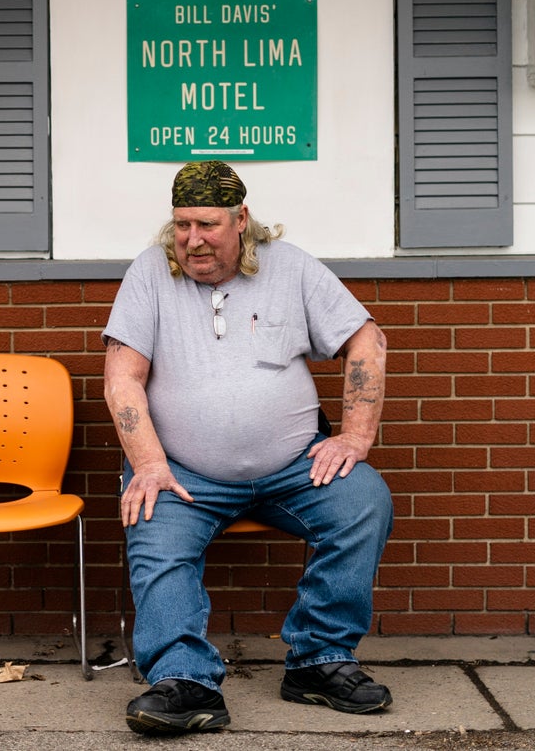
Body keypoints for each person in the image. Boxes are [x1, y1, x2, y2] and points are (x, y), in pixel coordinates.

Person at [102, 160, 395, 736]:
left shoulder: (291, 268)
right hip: (185, 475)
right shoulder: (149, 275)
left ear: (241, 219)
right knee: (152, 523)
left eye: (207, 224)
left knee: (364, 502)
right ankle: (183, 681)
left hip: (292, 468)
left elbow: (367, 340)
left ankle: (319, 659)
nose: (192, 240)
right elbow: (122, 378)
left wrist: (356, 437)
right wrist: (150, 465)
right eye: (182, 225)